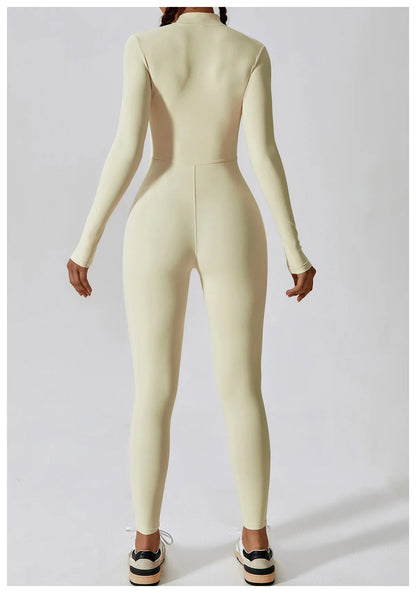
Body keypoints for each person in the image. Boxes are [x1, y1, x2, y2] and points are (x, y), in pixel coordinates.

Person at [67, 6, 316, 586]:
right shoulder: (250, 52)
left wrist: (85, 243)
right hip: (232, 214)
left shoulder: (144, 46)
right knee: (242, 389)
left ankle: (145, 547)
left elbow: (127, 148)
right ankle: (256, 544)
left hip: (157, 214)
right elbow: (264, 154)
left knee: (153, 390)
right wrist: (294, 251)